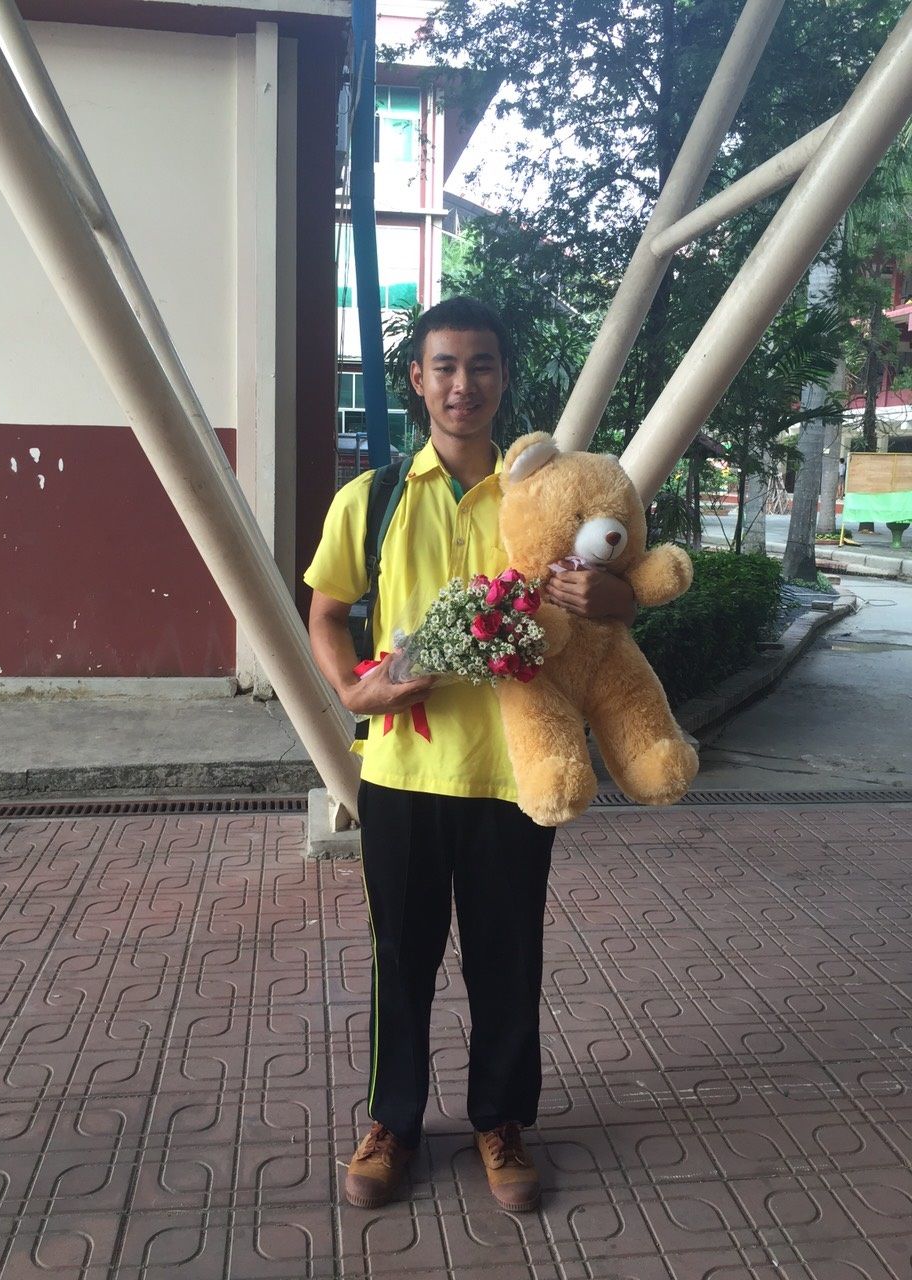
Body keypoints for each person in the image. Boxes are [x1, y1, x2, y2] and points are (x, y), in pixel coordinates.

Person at [304, 297, 635, 1212]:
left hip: (513, 773)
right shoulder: (370, 500)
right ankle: (393, 1124)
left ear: (502, 377)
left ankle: (502, 1121)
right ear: (417, 379)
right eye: (444, 366)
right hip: (402, 772)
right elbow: (325, 613)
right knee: (401, 959)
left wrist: (608, 598)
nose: (463, 383)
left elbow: (619, 594)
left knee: (507, 958)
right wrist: (352, 690)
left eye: (481, 365)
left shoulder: (546, 496)